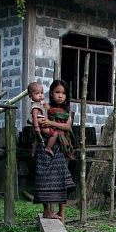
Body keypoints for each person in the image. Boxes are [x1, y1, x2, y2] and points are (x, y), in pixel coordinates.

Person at [33, 79, 76, 222]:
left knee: (62, 179)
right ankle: (46, 211)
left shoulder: (67, 111)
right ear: (51, 93)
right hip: (45, 145)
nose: (60, 96)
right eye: (57, 92)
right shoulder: (45, 106)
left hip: (61, 147)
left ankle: (61, 213)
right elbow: (38, 120)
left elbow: (67, 127)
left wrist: (51, 123)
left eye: (63, 93)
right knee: (44, 177)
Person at [27, 81, 58, 158]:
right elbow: (34, 117)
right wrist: (37, 127)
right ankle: (48, 147)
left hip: (41, 125)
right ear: (30, 96)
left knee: (36, 140)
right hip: (41, 126)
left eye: (41, 93)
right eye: (37, 94)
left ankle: (33, 153)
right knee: (55, 134)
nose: (40, 95)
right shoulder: (35, 106)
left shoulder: (39, 104)